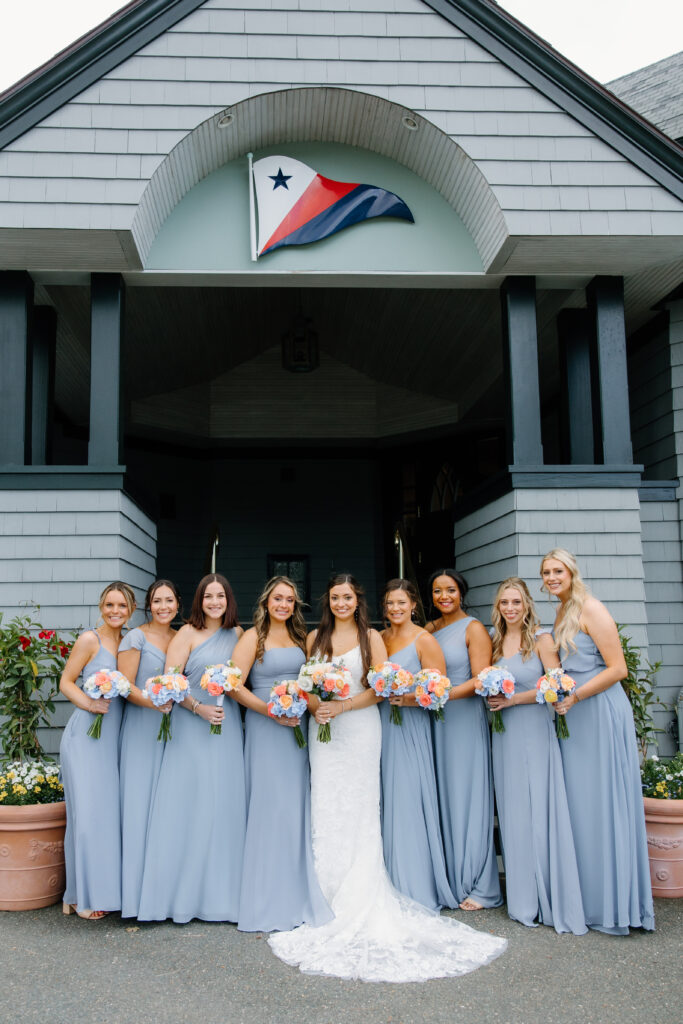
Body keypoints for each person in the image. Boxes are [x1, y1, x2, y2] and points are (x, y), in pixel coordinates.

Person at [269, 573, 507, 982]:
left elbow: (379, 688)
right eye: (335, 597)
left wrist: (341, 708)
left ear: (358, 601)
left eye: (348, 597)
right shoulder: (314, 639)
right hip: (324, 734)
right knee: (326, 803)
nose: (341, 603)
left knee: (362, 805)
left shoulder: (372, 638)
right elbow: (307, 686)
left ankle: (360, 887)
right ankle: (322, 889)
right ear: (328, 602)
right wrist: (314, 707)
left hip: (360, 728)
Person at [540, 548, 654, 934]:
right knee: (583, 803)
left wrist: (575, 696)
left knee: (603, 801)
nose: (552, 577)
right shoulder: (559, 612)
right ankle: (588, 897)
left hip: (600, 711)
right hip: (574, 716)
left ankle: (615, 903)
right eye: (547, 572)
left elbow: (618, 668)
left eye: (558, 571)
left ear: (572, 572)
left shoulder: (592, 608)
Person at [137, 573, 246, 923]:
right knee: (188, 806)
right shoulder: (186, 634)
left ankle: (219, 896)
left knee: (221, 806)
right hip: (191, 725)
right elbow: (171, 684)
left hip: (226, 727)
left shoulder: (238, 635)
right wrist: (198, 708)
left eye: (220, 596)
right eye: (208, 596)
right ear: (199, 601)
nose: (214, 602)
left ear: (229, 600)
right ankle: (177, 896)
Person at [232, 576, 332, 932]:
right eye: (278, 598)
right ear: (266, 601)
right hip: (265, 728)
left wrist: (313, 707)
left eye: (290, 600)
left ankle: (295, 887)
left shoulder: (301, 639)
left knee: (294, 805)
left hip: (296, 730)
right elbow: (234, 686)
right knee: (267, 804)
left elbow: (310, 684)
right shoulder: (251, 638)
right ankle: (263, 895)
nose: (284, 605)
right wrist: (269, 711)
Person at [487, 577, 586, 934]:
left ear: (527, 604)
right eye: (504, 603)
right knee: (514, 811)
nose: (510, 609)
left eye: (516, 602)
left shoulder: (542, 640)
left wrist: (513, 699)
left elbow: (556, 685)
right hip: (504, 735)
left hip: (533, 730)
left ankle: (547, 896)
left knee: (539, 809)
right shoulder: (497, 644)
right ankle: (522, 898)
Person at [60, 581, 137, 920]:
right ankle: (81, 896)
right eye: (109, 605)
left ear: (131, 609)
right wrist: (90, 703)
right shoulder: (89, 640)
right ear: (101, 607)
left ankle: (89, 891)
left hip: (115, 735)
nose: (115, 611)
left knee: (106, 815)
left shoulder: (130, 640)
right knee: (88, 816)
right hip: (87, 736)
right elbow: (66, 681)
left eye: (122, 605)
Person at [426, 570, 502, 911]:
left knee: (466, 794)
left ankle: (478, 882)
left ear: (462, 593)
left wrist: (438, 696)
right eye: (438, 591)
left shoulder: (473, 629)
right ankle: (448, 876)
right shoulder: (431, 630)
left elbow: (479, 680)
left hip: (462, 719)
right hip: (435, 723)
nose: (444, 596)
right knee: (443, 795)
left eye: (450, 590)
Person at [379, 578, 455, 910]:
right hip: (381, 725)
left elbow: (440, 691)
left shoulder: (425, 640)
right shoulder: (380, 638)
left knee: (408, 798)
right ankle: (385, 879)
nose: (395, 609)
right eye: (389, 604)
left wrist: (408, 699)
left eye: (401, 603)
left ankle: (414, 884)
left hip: (410, 726)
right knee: (384, 798)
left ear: (413, 605)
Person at [117, 579, 180, 919]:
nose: (163, 607)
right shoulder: (136, 637)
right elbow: (125, 686)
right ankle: (134, 896)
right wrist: (153, 703)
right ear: (148, 605)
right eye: (157, 601)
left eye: (169, 601)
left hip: (171, 729)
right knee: (140, 805)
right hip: (143, 726)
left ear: (178, 604)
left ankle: (162, 892)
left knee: (163, 809)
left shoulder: (178, 637)